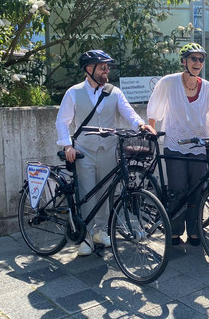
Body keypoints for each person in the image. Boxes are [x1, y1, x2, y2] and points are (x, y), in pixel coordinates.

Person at [55, 50, 154, 256]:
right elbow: (62, 122)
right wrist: (67, 146)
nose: (106, 70)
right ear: (89, 69)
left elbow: (128, 112)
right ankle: (86, 236)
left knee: (106, 193)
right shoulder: (73, 92)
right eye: (102, 67)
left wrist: (141, 125)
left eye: (107, 67)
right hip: (84, 151)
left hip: (109, 149)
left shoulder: (114, 92)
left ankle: (100, 231)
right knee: (87, 192)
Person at [147, 43, 209, 247]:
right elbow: (154, 108)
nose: (198, 63)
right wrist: (151, 128)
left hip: (199, 144)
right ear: (184, 61)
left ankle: (195, 231)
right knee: (178, 189)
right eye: (193, 58)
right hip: (175, 143)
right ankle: (175, 230)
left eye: (201, 59)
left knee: (198, 189)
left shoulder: (206, 86)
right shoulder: (169, 82)